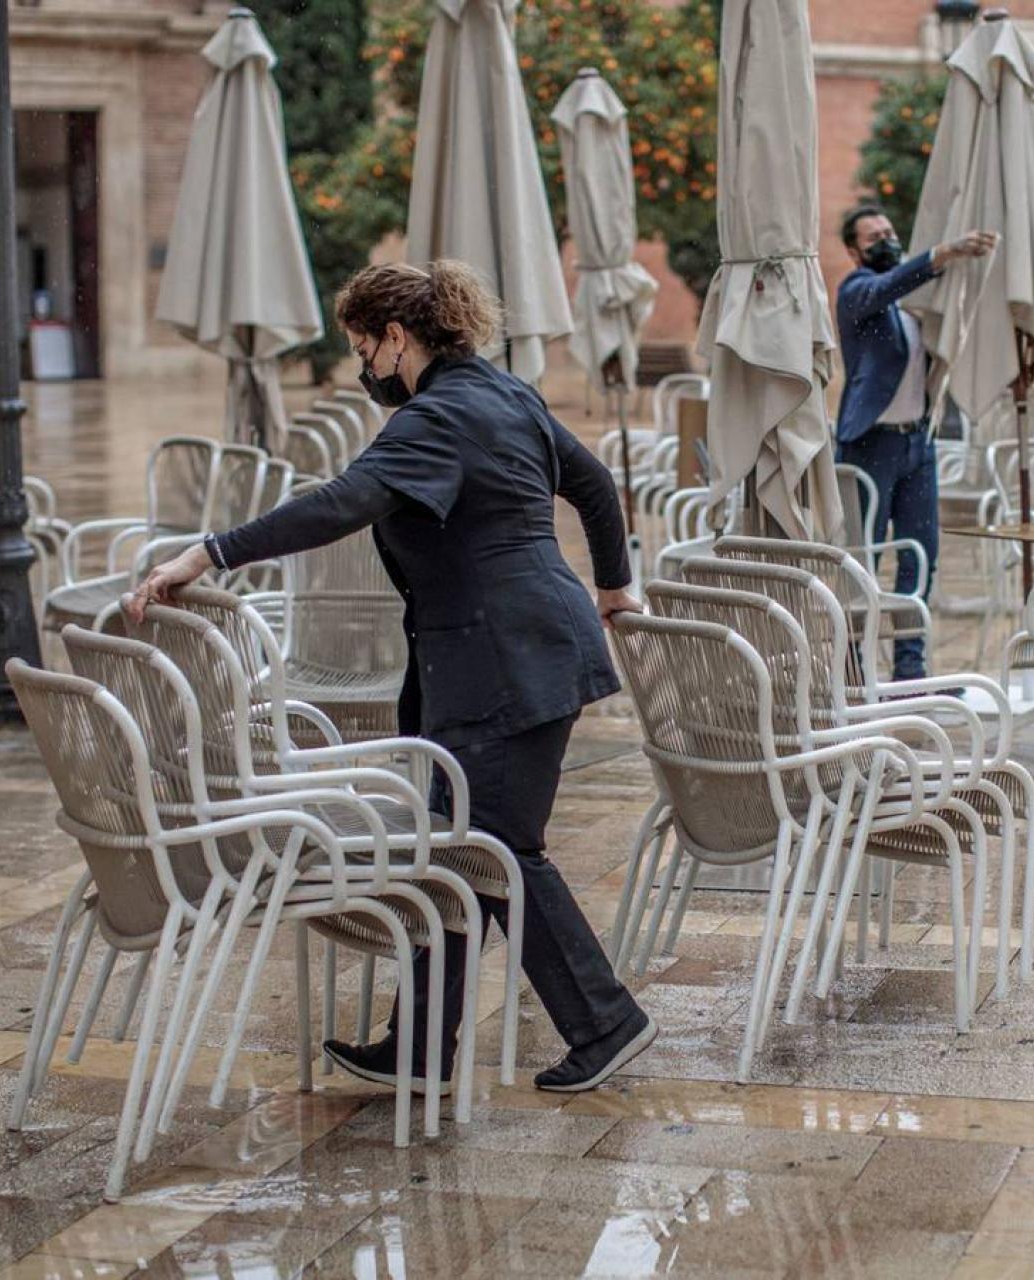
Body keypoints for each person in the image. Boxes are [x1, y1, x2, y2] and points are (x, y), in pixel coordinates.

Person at [129, 260, 656, 1094]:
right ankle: (417, 1047)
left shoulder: (436, 418)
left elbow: (340, 502)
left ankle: (605, 1023)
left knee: (493, 851)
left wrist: (210, 551)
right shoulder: (504, 394)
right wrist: (614, 584)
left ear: (396, 338)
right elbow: (592, 485)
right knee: (456, 849)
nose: (363, 367)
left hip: (501, 661)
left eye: (362, 348)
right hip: (519, 648)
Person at [835, 205, 997, 681]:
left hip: (917, 446)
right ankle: (853, 670)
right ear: (853, 251)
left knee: (920, 555)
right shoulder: (856, 291)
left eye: (889, 230)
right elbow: (884, 286)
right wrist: (941, 252)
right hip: (869, 446)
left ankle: (910, 671)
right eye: (872, 237)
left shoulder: (918, 301)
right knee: (864, 561)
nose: (885, 239)